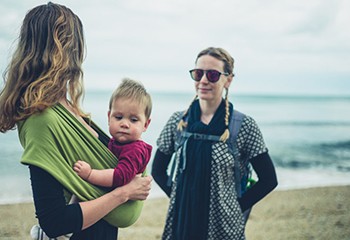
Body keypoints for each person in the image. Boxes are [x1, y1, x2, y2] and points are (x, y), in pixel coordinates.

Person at [0, 2, 152, 240]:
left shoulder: (68, 108)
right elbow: (54, 221)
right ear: (68, 49)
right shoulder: (42, 119)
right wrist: (123, 194)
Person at [152, 47, 278, 239]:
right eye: (198, 73)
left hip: (224, 229)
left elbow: (269, 179)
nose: (203, 80)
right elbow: (158, 170)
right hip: (182, 223)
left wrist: (236, 207)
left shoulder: (243, 126)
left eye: (212, 75)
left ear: (228, 79)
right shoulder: (178, 122)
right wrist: (179, 198)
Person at [73, 78, 153, 190]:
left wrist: (90, 174)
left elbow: (120, 177)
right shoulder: (116, 142)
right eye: (119, 117)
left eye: (134, 120)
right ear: (109, 117)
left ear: (145, 125)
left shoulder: (136, 150)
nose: (125, 124)